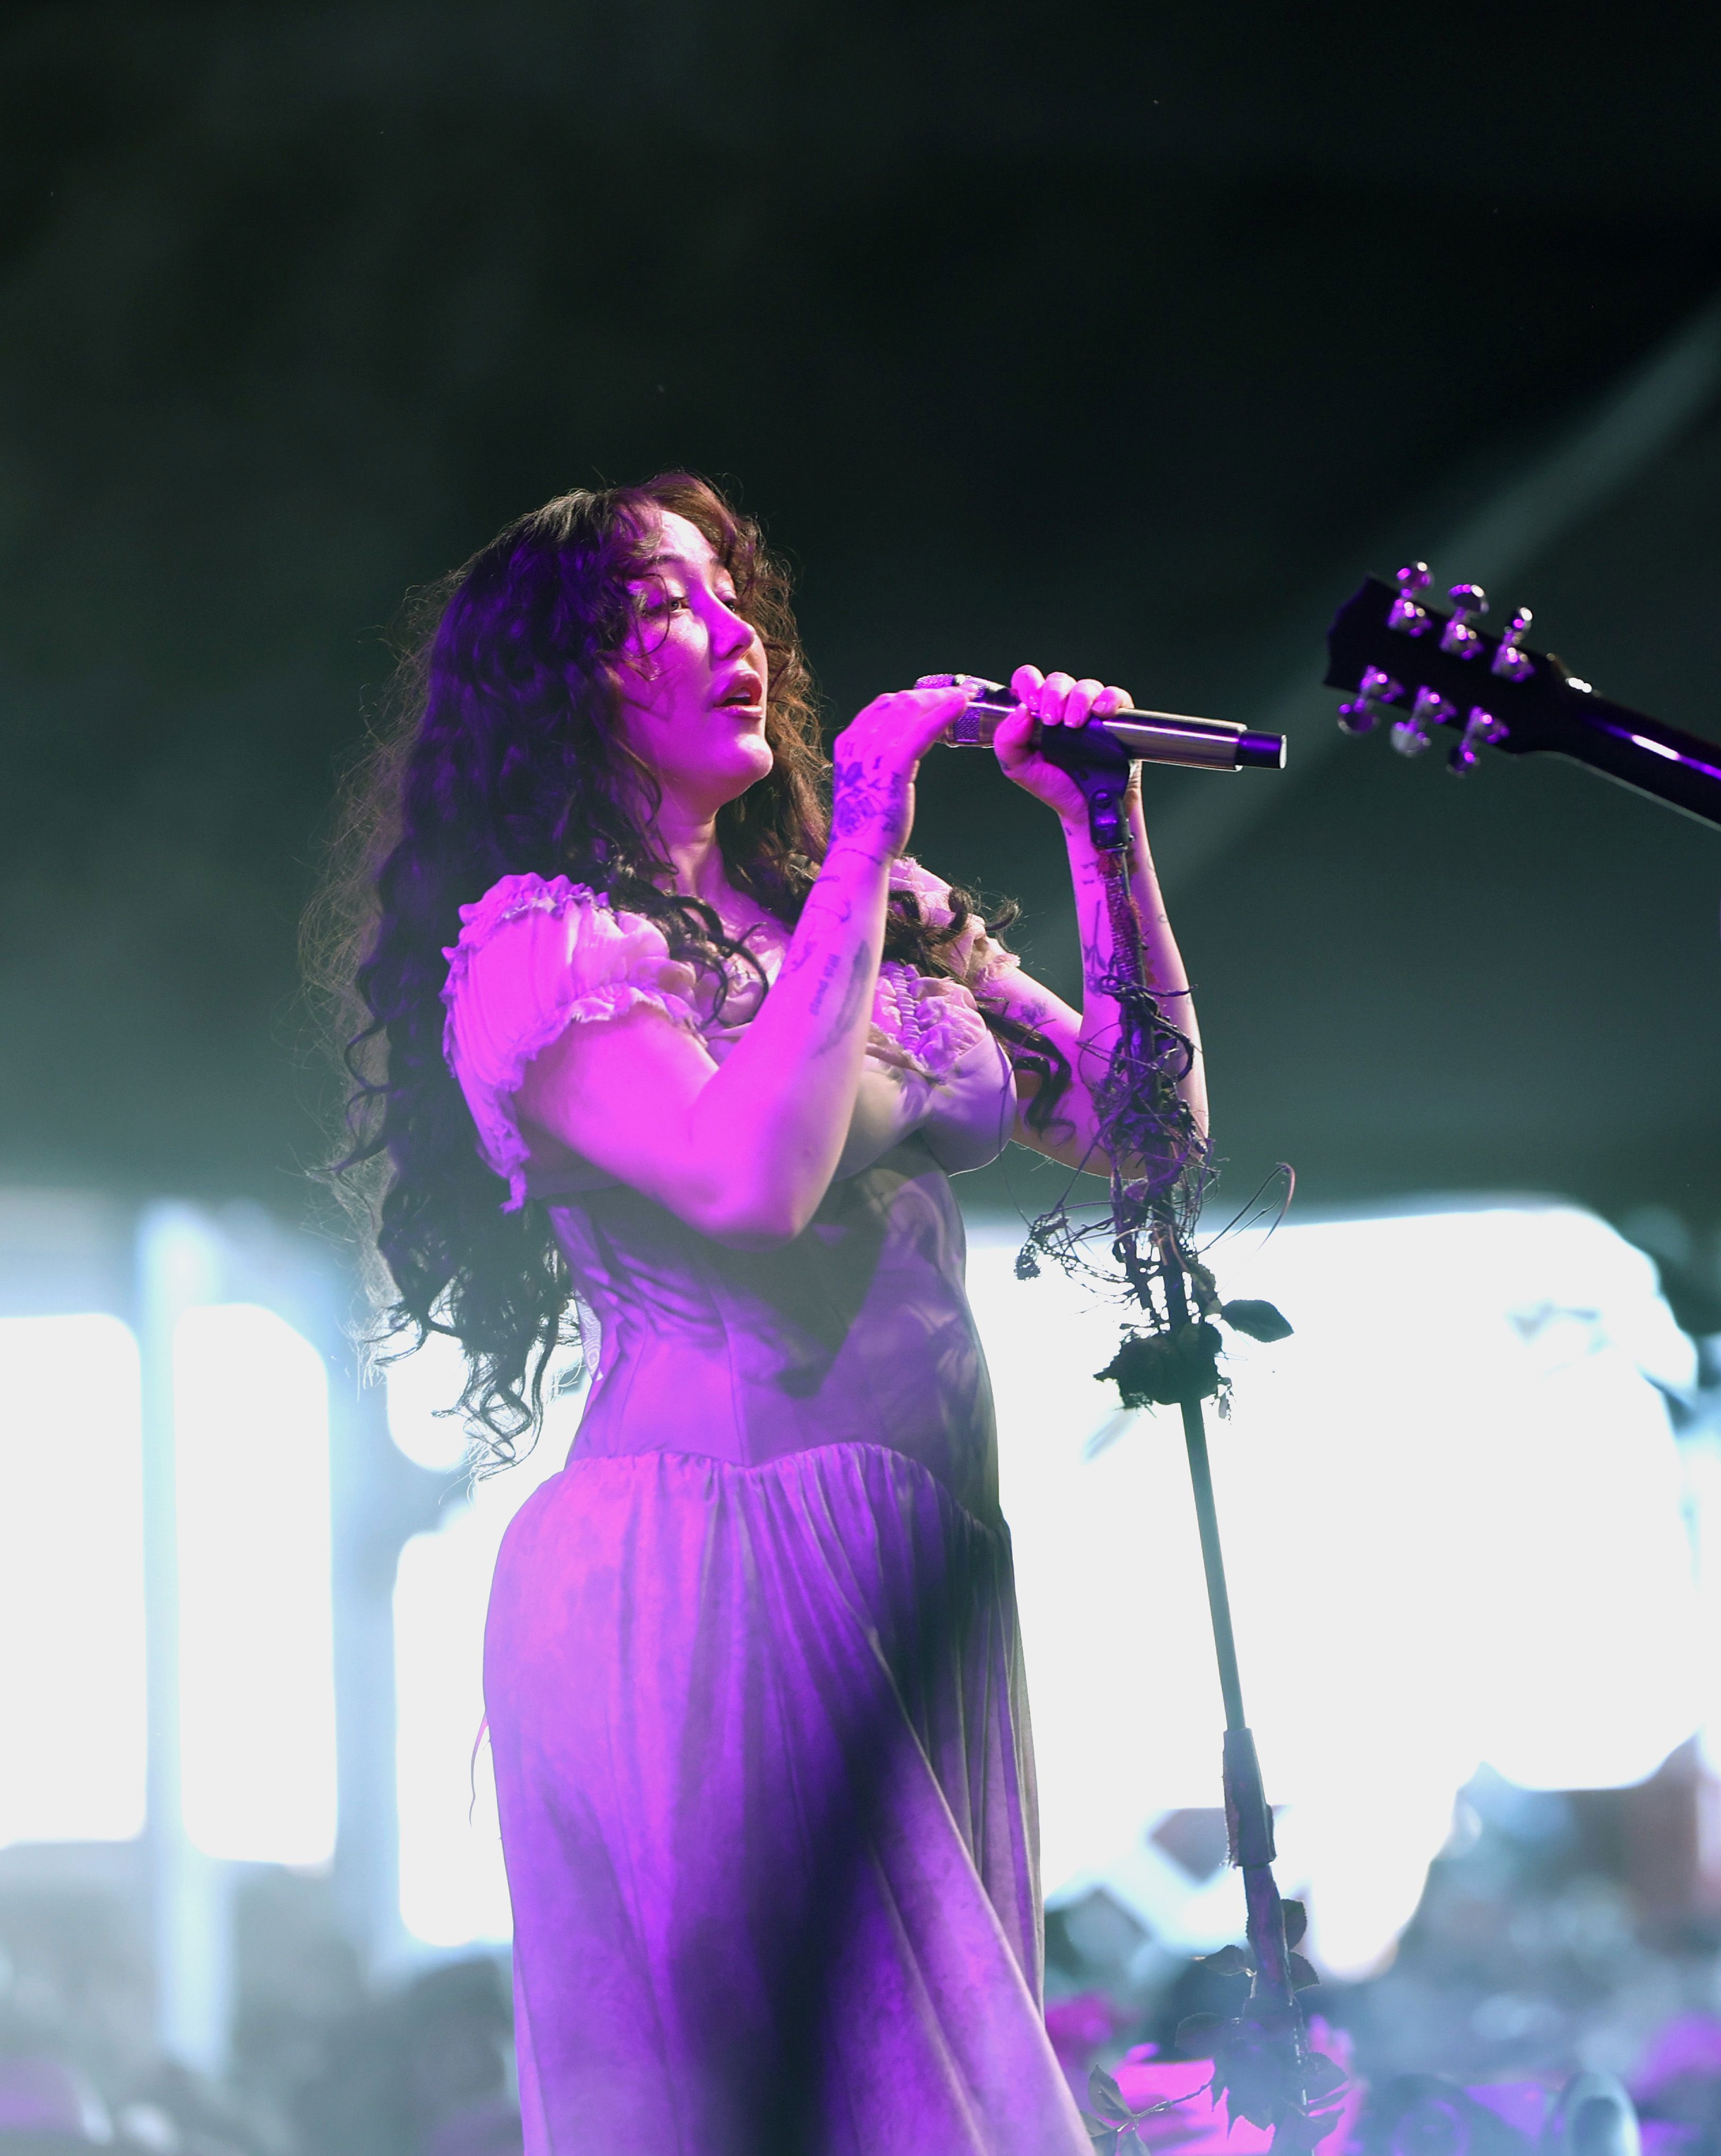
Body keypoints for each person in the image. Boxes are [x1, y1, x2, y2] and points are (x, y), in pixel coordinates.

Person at [320, 472, 1197, 2152]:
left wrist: (1103, 828)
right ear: (561, 682)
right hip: (711, 1565)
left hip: (918, 1566)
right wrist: (863, 822)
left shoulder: (841, 923)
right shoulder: (547, 949)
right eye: (662, 608)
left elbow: (1147, 1137)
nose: (730, 636)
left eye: (732, 597)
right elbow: (747, 1185)